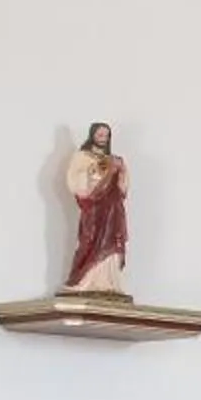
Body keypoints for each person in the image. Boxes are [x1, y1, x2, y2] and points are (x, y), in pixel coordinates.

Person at [65, 122, 129, 295]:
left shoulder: (115, 159)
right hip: (94, 207)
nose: (103, 138)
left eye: (106, 135)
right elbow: (75, 181)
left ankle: (108, 283)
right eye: (100, 134)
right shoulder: (83, 156)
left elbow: (123, 188)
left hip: (112, 208)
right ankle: (85, 280)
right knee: (90, 238)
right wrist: (97, 170)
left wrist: (120, 171)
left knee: (111, 240)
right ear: (92, 135)